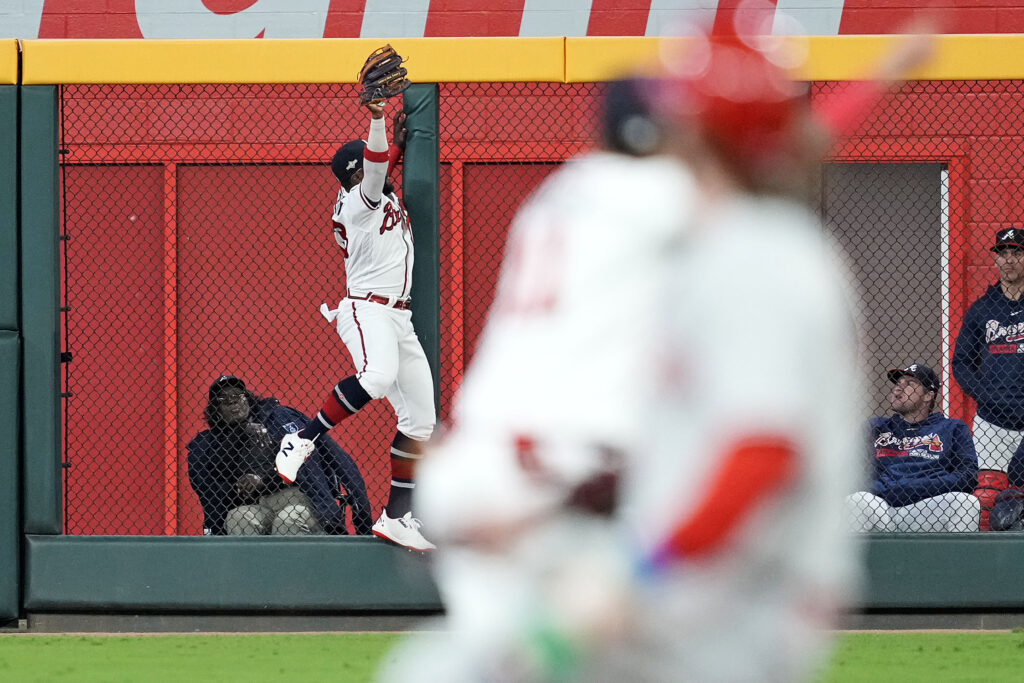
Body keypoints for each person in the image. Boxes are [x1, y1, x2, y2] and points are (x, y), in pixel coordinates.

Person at [377, 77, 699, 683]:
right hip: (553, 483)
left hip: (474, 471)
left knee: (509, 661)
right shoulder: (661, 194)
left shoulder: (559, 193)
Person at [274, 99, 437, 552]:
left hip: (397, 316)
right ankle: (303, 439)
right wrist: (380, 118)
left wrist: (395, 145)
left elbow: (380, 167)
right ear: (356, 172)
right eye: (368, 162)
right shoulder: (359, 201)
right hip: (367, 310)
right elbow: (376, 167)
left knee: (421, 422)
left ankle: (397, 517)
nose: (378, 164)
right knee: (379, 377)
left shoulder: (371, 194)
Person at [188, 375, 372, 536]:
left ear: (248, 399)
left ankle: (291, 576)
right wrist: (241, 433)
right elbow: (210, 483)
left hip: (303, 497)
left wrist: (363, 518)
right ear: (215, 410)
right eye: (223, 399)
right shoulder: (214, 443)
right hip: (262, 503)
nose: (233, 402)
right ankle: (250, 575)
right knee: (238, 518)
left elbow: (338, 458)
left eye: (237, 396)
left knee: (287, 520)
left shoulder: (280, 417)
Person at [845, 363, 979, 532]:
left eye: (909, 384)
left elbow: (968, 476)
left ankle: (954, 559)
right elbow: (850, 473)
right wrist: (885, 489)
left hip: (926, 507)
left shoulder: (952, 428)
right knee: (858, 500)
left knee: (966, 503)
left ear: (928, 395)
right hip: (882, 507)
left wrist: (914, 487)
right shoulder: (875, 427)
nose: (898, 390)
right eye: (898, 384)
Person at [953, 228, 1024, 479]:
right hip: (992, 421)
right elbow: (961, 362)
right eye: (1003, 253)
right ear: (995, 259)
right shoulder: (982, 309)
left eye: (1016, 253)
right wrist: (987, 395)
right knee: (988, 495)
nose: (1009, 260)